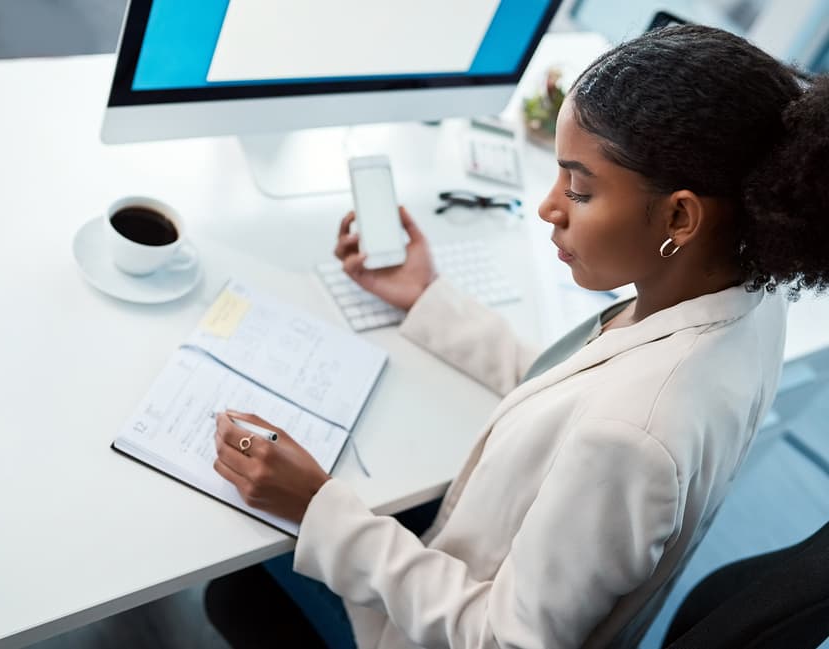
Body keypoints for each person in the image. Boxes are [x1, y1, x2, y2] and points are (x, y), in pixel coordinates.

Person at [204, 24, 829, 649]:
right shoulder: (744, 296)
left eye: (580, 190)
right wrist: (428, 300)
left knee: (235, 573)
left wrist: (317, 507)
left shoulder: (632, 438)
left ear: (678, 217)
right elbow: (583, 379)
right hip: (496, 552)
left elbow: (504, 640)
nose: (549, 207)